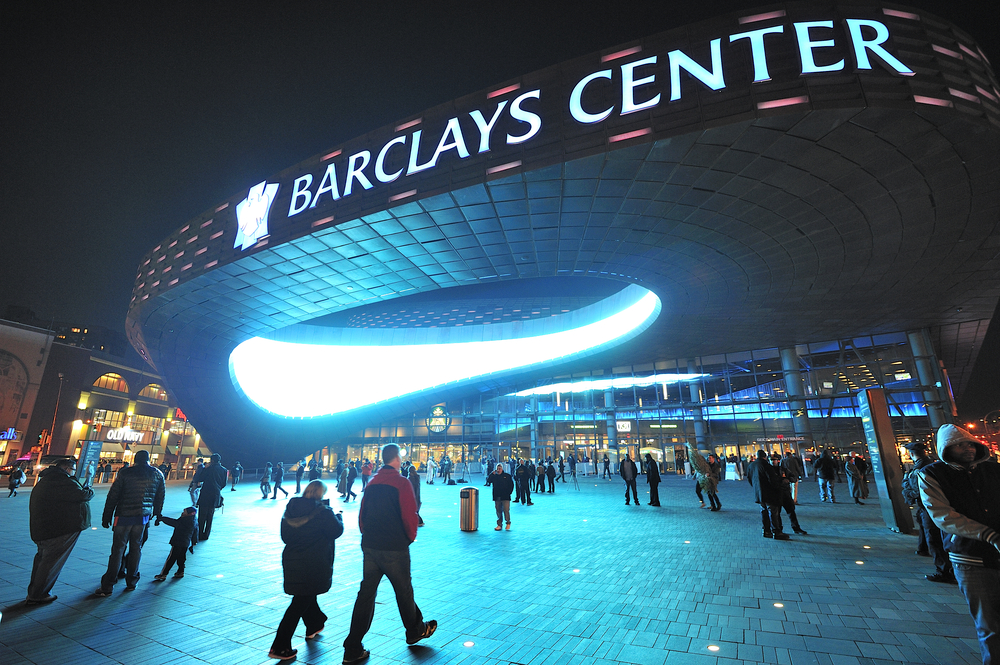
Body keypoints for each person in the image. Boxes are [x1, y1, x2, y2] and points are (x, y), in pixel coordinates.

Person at [343, 445, 436, 664]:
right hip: (394, 547)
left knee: (366, 595)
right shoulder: (401, 483)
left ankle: (352, 647)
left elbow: (362, 516)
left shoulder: (372, 483)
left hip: (371, 546)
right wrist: (409, 538)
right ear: (397, 459)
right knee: (403, 591)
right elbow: (410, 515)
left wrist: (368, 537)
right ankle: (415, 631)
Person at [919, 424, 1000, 664]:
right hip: (969, 557)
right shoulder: (932, 474)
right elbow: (943, 516)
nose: (968, 449)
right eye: (959, 445)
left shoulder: (993, 469)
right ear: (946, 449)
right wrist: (989, 535)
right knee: (989, 624)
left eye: (970, 444)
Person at [269, 480, 344, 661]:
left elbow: (285, 537)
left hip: (292, 561)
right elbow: (336, 531)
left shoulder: (290, 510)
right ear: (320, 494)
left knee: (305, 595)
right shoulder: (323, 512)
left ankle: (315, 623)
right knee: (299, 603)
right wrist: (339, 517)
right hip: (314, 562)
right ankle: (280, 646)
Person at [95, 449, 165, 596]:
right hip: (142, 518)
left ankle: (108, 585)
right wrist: (157, 514)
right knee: (136, 549)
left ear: (135, 459)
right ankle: (132, 581)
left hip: (123, 516)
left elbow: (113, 496)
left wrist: (107, 516)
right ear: (148, 459)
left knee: (117, 550)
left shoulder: (125, 473)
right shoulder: (157, 474)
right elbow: (160, 497)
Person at [25, 457, 93, 605]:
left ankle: (34, 592)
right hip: (59, 530)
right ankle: (39, 594)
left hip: (45, 528)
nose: (74, 472)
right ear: (66, 468)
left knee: (43, 560)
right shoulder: (62, 481)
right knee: (51, 563)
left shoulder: (48, 480)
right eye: (73, 470)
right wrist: (89, 489)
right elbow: (82, 495)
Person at [904, 441, 954, 583]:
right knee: (928, 532)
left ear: (912, 454)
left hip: (929, 507)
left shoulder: (921, 468)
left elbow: (917, 489)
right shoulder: (929, 465)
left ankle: (944, 571)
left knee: (934, 538)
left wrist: (908, 492)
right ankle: (923, 549)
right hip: (927, 506)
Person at [746, 450, 789, 540]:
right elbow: (772, 480)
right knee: (773, 512)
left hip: (759, 493)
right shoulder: (766, 466)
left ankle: (766, 530)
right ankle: (776, 532)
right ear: (765, 457)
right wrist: (779, 486)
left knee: (764, 511)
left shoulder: (751, 466)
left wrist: (756, 488)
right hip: (769, 493)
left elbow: (750, 479)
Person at [153, 507, 198, 580]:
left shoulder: (185, 520)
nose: (183, 513)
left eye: (185, 512)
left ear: (191, 513)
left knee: (171, 558)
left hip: (178, 541)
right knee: (181, 557)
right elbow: (195, 531)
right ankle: (180, 571)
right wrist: (194, 542)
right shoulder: (194, 520)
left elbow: (174, 523)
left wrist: (162, 518)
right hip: (186, 542)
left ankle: (163, 574)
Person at [771, 454, 807, 535]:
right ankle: (779, 529)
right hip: (776, 494)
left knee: (791, 511)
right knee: (777, 513)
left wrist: (788, 479)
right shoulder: (769, 471)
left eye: (774, 460)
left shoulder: (783, 469)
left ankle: (796, 527)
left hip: (785, 493)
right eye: (772, 460)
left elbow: (793, 477)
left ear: (777, 461)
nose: (773, 462)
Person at [196, 453, 228, 540]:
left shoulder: (209, 469)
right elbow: (224, 483)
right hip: (215, 495)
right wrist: (217, 489)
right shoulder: (224, 470)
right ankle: (206, 535)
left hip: (205, 494)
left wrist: (205, 469)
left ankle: (200, 534)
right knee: (210, 516)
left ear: (212, 460)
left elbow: (201, 478)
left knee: (202, 516)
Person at [486, 463, 514, 530]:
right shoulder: (494, 476)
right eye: (497, 469)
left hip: (505, 496)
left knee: (506, 510)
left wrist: (509, 493)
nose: (498, 470)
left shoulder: (507, 476)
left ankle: (508, 523)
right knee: (498, 511)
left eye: (500, 469)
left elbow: (511, 485)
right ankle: (499, 524)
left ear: (502, 469)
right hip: (497, 496)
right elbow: (488, 481)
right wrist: (491, 474)